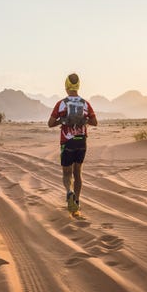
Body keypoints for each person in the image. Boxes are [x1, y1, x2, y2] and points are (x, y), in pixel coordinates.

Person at [48, 73, 98, 214]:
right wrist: (84, 120)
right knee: (78, 174)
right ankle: (76, 202)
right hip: (82, 141)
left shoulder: (62, 103)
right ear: (78, 86)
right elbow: (95, 122)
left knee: (66, 174)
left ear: (66, 86)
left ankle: (69, 192)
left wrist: (63, 121)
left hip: (67, 142)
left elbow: (50, 123)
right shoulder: (85, 104)